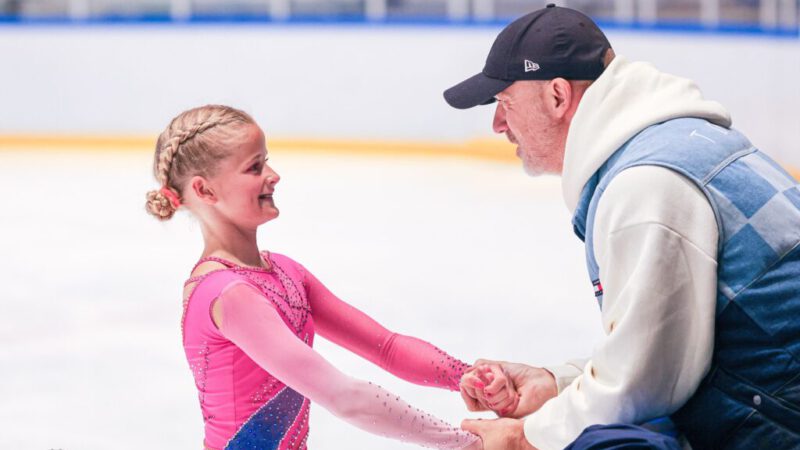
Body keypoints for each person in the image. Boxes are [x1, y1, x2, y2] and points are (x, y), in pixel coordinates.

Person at [443, 4, 800, 450]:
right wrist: (557, 384)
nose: (497, 125)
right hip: (777, 402)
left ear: (557, 96)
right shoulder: (676, 144)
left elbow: (646, 385)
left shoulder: (645, 185)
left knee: (602, 441)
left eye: (503, 103)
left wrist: (523, 438)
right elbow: (665, 354)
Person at [144, 105, 498, 450]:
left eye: (266, 159)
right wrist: (467, 445)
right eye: (254, 167)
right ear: (205, 191)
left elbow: (386, 347)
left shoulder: (284, 272)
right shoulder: (228, 294)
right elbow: (345, 398)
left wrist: (465, 376)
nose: (273, 174)